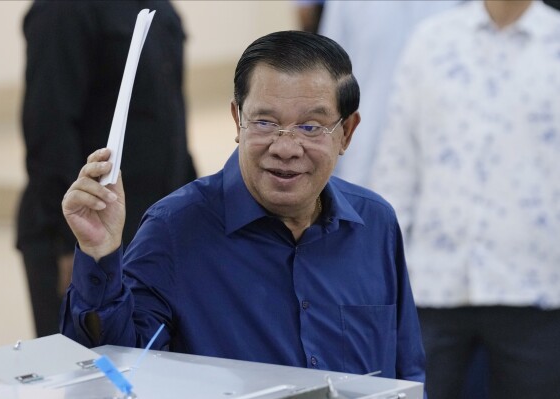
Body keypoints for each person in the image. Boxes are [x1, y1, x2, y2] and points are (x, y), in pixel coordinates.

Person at [60, 31, 426, 384]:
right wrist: (100, 253)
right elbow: (116, 369)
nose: (286, 147)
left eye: (311, 127)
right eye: (265, 122)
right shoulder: (174, 229)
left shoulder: (375, 223)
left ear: (346, 132)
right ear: (238, 120)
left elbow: (407, 369)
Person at [371, 1, 560, 397]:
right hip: (432, 282)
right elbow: (398, 162)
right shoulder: (432, 41)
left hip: (537, 286)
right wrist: (380, 267)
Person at [17, 1, 197, 338]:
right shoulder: (63, 10)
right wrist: (70, 242)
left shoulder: (158, 8)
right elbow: (49, 126)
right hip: (86, 227)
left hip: (152, 226)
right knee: (83, 366)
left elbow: (171, 122)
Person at [319, 0, 461, 187]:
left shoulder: (466, 6)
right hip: (361, 162)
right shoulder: (346, 4)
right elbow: (326, 80)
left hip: (440, 166)